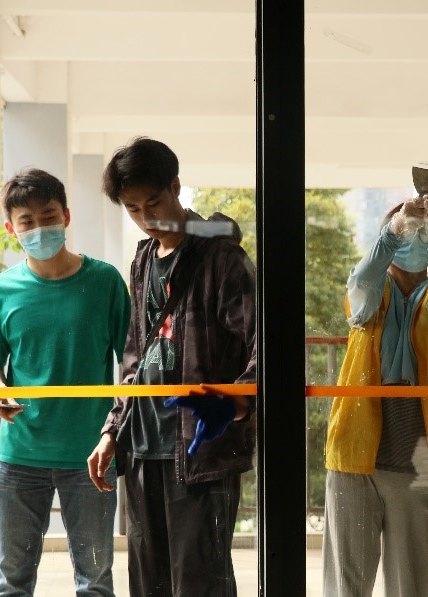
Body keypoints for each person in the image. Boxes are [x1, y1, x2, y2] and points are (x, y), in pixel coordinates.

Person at [86, 137, 257, 597]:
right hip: (143, 447)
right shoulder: (143, 259)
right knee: (148, 584)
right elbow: (134, 357)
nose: (146, 217)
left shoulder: (222, 259)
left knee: (200, 585)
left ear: (176, 187)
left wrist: (234, 404)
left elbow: (266, 348)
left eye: (154, 202)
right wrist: (112, 430)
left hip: (199, 452)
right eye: (133, 209)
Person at [0, 168, 131, 596]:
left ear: (66, 216)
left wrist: (115, 433)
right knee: (11, 581)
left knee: (95, 581)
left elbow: (134, 363)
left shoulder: (105, 282)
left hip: (92, 454)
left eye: (48, 216)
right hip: (21, 453)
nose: (39, 228)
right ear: (11, 228)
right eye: (27, 220)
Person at [323, 164, 428, 597]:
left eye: (422, 230)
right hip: (356, 445)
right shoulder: (370, 293)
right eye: (410, 226)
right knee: (347, 581)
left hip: (421, 453)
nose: (415, 235)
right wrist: (392, 233)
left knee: (411, 581)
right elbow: (362, 280)